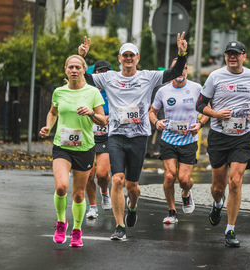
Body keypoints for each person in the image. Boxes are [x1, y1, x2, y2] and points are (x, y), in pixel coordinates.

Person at [78, 33, 188, 240]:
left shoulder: (148, 76)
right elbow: (85, 78)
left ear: (137, 58)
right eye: (125, 55)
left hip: (139, 137)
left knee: (132, 186)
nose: (128, 58)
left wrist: (181, 53)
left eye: (132, 55)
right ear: (119, 59)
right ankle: (119, 227)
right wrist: (83, 57)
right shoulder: (109, 77)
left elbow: (174, 72)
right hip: (117, 135)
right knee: (117, 180)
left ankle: (133, 205)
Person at [196, 41, 250, 247]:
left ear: (244, 56)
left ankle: (230, 230)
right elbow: (200, 104)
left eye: (236, 54)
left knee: (235, 182)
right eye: (229, 54)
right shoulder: (215, 76)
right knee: (218, 187)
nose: (232, 57)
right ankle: (217, 203)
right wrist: (216, 114)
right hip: (219, 136)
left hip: (243, 137)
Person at [39, 55, 106, 247]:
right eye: (71, 67)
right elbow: (53, 112)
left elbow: (103, 120)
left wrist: (91, 113)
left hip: (84, 148)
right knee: (61, 187)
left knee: (78, 195)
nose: (74, 70)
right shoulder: (59, 92)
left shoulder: (93, 92)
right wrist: (48, 127)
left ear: (84, 70)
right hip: (62, 147)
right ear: (66, 70)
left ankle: (77, 230)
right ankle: (61, 222)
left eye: (78, 67)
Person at [149, 58, 210, 224]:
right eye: (176, 69)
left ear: (186, 71)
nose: (180, 72)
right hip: (168, 138)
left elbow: (208, 109)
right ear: (171, 71)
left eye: (183, 69)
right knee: (169, 176)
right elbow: (152, 112)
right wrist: (156, 122)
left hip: (188, 140)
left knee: (184, 180)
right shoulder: (163, 91)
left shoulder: (196, 88)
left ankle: (186, 193)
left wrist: (200, 124)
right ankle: (171, 211)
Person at [85, 60, 113, 219]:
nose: (102, 74)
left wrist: (111, 117)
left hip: (105, 137)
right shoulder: (87, 90)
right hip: (88, 135)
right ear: (94, 73)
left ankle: (104, 191)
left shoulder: (113, 91)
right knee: (89, 175)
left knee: (102, 174)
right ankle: (93, 207)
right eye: (99, 71)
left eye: (106, 71)